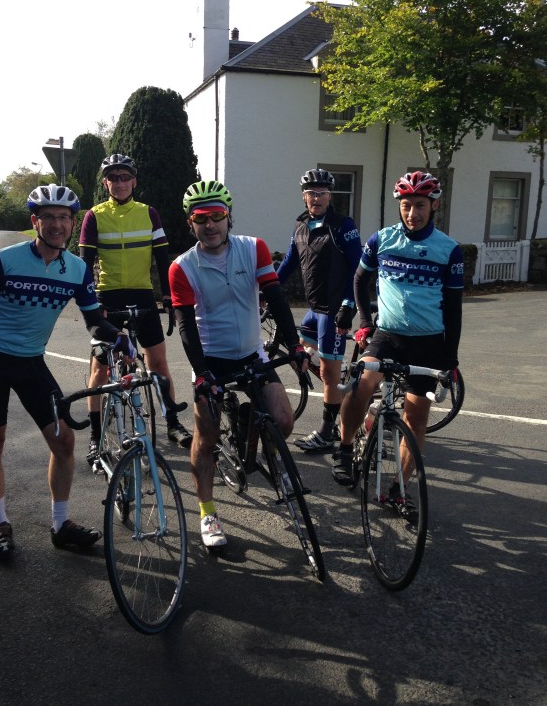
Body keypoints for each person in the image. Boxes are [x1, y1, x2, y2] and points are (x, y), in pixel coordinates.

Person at [0, 185, 137, 558]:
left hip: (31, 362)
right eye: (49, 217)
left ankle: (60, 525)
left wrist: (118, 339)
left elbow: (94, 322)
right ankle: (0, 525)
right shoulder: (3, 260)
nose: (57, 224)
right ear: (35, 221)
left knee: (63, 441)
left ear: (73, 223)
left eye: (64, 218)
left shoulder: (76, 269)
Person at [169, 180, 308, 549]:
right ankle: (208, 511)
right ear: (191, 224)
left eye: (217, 216)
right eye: (202, 218)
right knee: (207, 436)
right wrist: (202, 374)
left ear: (229, 217)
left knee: (282, 419)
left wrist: (294, 347)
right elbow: (185, 326)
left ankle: (258, 442)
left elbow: (276, 299)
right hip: (211, 358)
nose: (210, 224)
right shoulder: (182, 267)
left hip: (251, 353)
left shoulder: (253, 249)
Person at [334, 171, 464, 487]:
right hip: (387, 335)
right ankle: (345, 447)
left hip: (429, 342)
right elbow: (359, 279)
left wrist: (450, 357)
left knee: (416, 418)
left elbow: (453, 308)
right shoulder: (382, 240)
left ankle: (400, 488)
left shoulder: (448, 249)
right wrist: (365, 322)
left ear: (434, 205)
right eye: (406, 205)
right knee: (362, 385)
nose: (412, 213)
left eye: (420, 205)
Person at [79, 153, 191, 463]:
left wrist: (167, 295)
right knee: (101, 369)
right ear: (106, 183)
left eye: (124, 176)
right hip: (107, 297)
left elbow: (162, 258)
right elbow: (84, 264)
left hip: (142, 295)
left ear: (134, 181)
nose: (119, 182)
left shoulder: (149, 213)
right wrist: (91, 304)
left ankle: (172, 423)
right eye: (113, 177)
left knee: (157, 362)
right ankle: (94, 437)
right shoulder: (94, 215)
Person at [277, 168, 362, 452]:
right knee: (300, 354)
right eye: (312, 193)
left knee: (328, 371)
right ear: (304, 197)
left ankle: (329, 432)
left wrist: (349, 307)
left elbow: (358, 269)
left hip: (335, 310)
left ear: (330, 196)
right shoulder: (300, 226)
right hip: (315, 309)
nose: (317, 197)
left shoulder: (343, 225)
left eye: (323, 193)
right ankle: (339, 385)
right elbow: (289, 263)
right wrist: (268, 291)